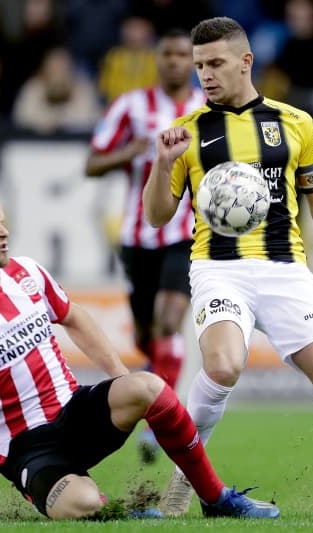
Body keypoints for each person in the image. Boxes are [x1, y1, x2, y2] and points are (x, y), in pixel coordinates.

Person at [0, 188, 280, 522]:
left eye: (2, 222)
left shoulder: (26, 272)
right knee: (83, 502)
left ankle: (215, 498)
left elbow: (74, 316)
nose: (3, 232)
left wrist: (118, 374)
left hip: (74, 411)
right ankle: (115, 511)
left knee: (147, 386)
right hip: (24, 446)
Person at [142, 17, 313, 518]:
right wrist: (161, 165)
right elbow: (158, 216)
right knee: (223, 365)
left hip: (286, 270)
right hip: (218, 268)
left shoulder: (296, 123)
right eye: (199, 65)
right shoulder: (187, 133)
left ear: (246, 62)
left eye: (216, 64)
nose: (205, 74)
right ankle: (185, 484)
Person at [85, 28, 206, 464]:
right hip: (138, 236)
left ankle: (159, 423)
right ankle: (158, 391)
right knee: (145, 335)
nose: (174, 61)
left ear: (191, 62)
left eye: (182, 55)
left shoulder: (207, 109)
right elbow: (92, 162)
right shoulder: (131, 106)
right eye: (167, 54)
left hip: (187, 233)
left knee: (169, 321)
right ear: (157, 60)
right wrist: (131, 151)